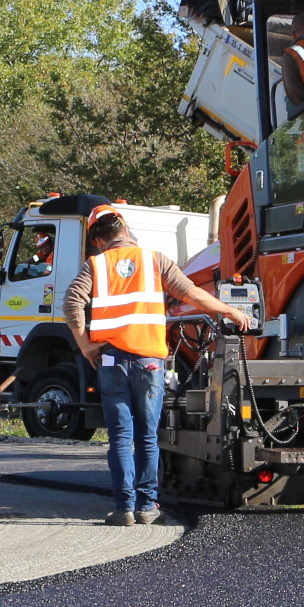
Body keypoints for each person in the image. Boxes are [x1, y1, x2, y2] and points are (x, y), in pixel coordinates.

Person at [61, 204, 259, 526]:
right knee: (148, 437)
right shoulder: (154, 260)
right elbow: (191, 293)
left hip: (110, 361)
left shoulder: (95, 266)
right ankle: (147, 507)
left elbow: (72, 301)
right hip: (149, 363)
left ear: (97, 240)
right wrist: (229, 311)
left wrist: (85, 346)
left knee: (121, 438)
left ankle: (124, 508)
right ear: (124, 228)